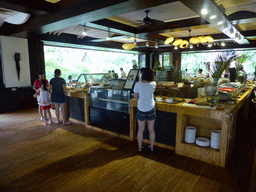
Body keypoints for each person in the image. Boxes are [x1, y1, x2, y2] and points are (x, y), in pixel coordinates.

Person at [134, 67, 156, 152]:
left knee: (140, 129)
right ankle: (151, 147)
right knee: (151, 129)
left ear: (143, 75)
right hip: (151, 108)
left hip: (141, 109)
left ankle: (140, 148)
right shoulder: (154, 83)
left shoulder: (137, 84)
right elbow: (151, 94)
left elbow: (136, 98)